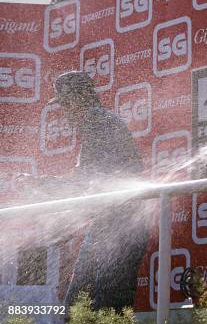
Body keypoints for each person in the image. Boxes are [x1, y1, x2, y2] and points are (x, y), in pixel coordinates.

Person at [50, 71, 147, 313]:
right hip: (110, 225)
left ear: (78, 99)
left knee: (98, 309)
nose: (65, 112)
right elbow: (93, 182)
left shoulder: (96, 121)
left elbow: (84, 179)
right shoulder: (100, 121)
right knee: (84, 307)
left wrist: (41, 184)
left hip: (119, 228)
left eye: (65, 104)